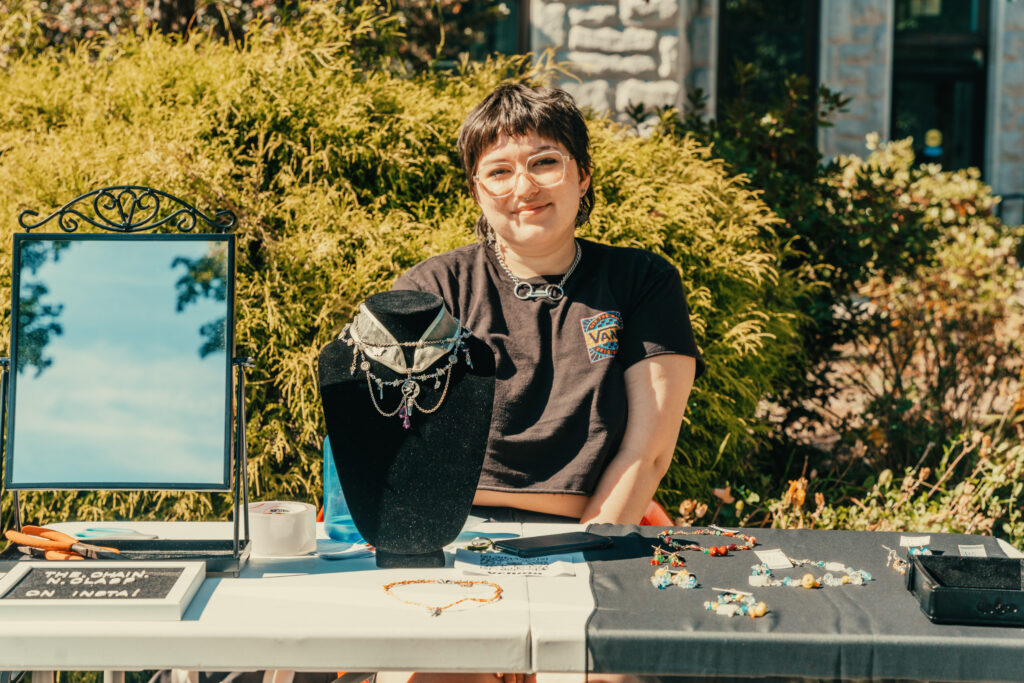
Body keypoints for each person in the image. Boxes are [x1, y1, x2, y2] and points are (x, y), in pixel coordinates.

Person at [378, 83, 705, 683]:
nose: (523, 188)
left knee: (594, 674)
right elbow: (401, 450)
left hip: (594, 533)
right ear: (477, 193)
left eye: (544, 162)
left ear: (582, 176)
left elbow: (649, 449)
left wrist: (585, 559)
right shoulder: (432, 289)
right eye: (497, 171)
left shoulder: (642, 281)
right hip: (461, 543)